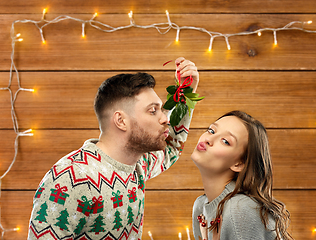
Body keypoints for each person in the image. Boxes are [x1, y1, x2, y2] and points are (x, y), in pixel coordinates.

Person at [28, 57, 199, 239]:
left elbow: (170, 148)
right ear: (121, 121)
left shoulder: (138, 165)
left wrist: (186, 93)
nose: (165, 118)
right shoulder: (69, 178)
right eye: (153, 111)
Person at [191, 111, 293, 240]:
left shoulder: (240, 209)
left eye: (225, 141)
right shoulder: (200, 206)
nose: (208, 139)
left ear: (239, 164)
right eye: (211, 131)